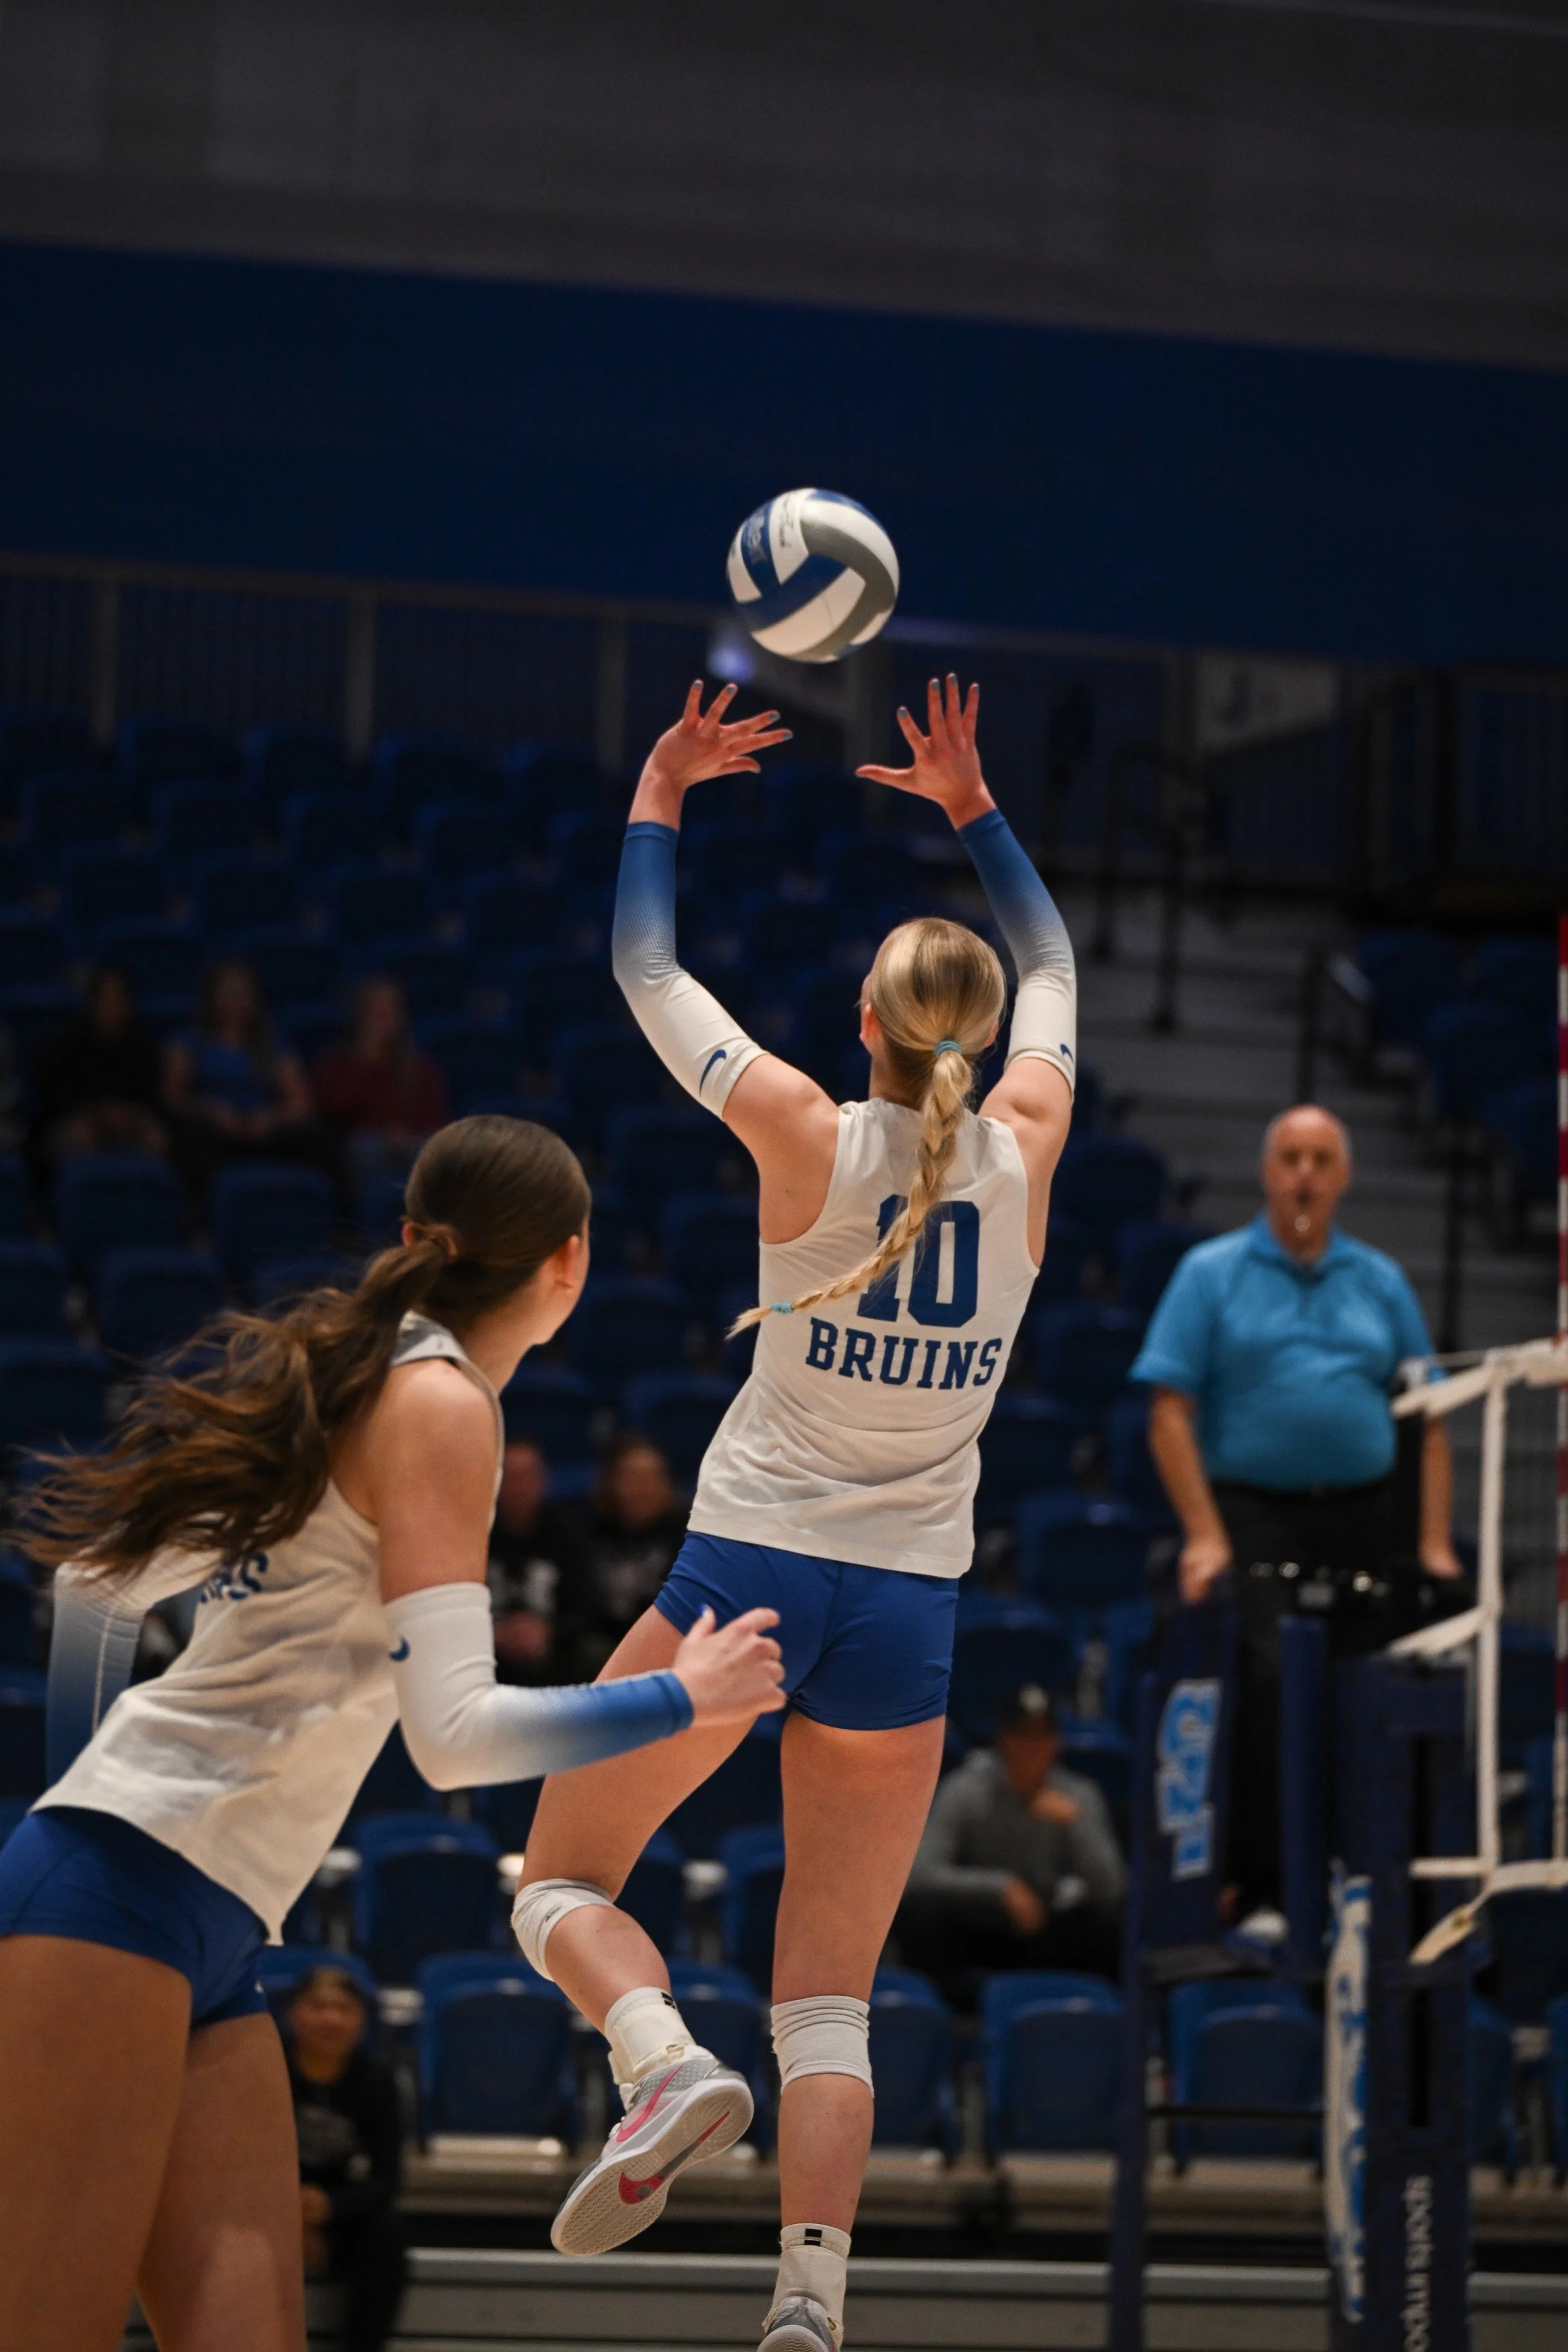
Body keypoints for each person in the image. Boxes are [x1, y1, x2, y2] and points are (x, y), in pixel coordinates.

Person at [0, 1113, 784, 2352]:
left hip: (188, 1923)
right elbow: (455, 1742)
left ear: (419, 1237)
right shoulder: (440, 1401)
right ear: (567, 1265)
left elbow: (92, 1593)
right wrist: (683, 1698)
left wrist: (73, 1815)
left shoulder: (354, 1376)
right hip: (122, 1898)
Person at [512, 676, 1077, 2352]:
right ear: (970, 1040)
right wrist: (974, 806)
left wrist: (660, 783)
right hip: (904, 1611)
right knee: (828, 1990)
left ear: (865, 1023)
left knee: (556, 1881)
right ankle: (807, 2304)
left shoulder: (799, 1135)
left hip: (743, 1575)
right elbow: (1050, 967)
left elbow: (643, 971)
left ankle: (658, 2059)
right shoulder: (1029, 1144)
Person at [1131, 1102, 1463, 1931]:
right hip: (1255, 1514)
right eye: (1290, 1157)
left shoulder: (1379, 1279)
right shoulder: (1212, 1272)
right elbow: (1170, 1408)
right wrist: (1205, 1532)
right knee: (1274, 1677)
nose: (1306, 1173)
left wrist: (1430, 1543)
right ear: (1267, 1172)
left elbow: (1425, 1415)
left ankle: (1384, 1883)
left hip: (1367, 1515)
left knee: (1382, 1684)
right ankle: (1269, 1885)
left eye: (1321, 1157)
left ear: (1344, 1175)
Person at [897, 1685, 1125, 2001]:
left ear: (1056, 1744)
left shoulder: (1078, 1796)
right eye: (1022, 1737)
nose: (1032, 1748)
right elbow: (919, 1873)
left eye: (1041, 1737)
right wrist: (1000, 1887)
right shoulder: (966, 1790)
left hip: (1045, 1927)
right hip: (979, 1925)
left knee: (1110, 1925)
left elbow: (1112, 1890)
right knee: (919, 1914)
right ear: (1003, 1741)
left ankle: (1087, 2012)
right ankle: (939, 2014)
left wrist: (1076, 1826)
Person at [285, 1967, 406, 2352]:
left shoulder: (377, 2082)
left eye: (343, 2008)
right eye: (318, 2006)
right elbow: (231, 2165)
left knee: (386, 2237)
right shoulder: (267, 2070)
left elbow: (387, 2181)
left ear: (361, 2021)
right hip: (266, 2208)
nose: (330, 2019)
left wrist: (329, 2209)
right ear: (293, 2014)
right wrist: (292, 2220)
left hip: (338, 2209)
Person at [163, 956, 340, 1199]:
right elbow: (173, 1097)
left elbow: (301, 1102)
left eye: (243, 993)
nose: (236, 1001)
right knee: (190, 1140)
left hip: (262, 1127)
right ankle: (200, 1226)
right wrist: (213, 1112)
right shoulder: (190, 1042)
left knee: (319, 1140)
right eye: (228, 993)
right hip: (213, 1128)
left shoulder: (271, 1044)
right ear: (212, 996)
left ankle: (331, 1224)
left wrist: (270, 1119)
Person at [26, 965, 168, 1185]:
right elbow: (54, 1100)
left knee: (155, 1136)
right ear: (91, 1003)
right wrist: (96, 1114)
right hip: (74, 1122)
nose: (111, 1007)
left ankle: (141, 1207)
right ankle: (74, 1210)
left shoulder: (142, 1047)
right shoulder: (64, 1046)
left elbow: (152, 1100)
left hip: (130, 1124)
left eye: (117, 1000)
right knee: (79, 1135)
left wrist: (132, 1116)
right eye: (104, 999)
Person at [314, 978, 450, 1180]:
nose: (384, 1020)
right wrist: (368, 1059)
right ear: (361, 1016)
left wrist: (405, 1138)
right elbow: (336, 1111)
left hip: (410, 1145)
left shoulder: (420, 1068)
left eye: (391, 1013)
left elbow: (436, 1122)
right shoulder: (338, 1064)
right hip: (361, 1147)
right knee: (365, 1150)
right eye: (377, 1012)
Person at [576, 1436, 690, 1676]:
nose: (643, 1489)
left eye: (651, 1478)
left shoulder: (687, 1536)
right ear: (613, 1483)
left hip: (666, 1642)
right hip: (604, 1642)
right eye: (633, 1479)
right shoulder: (589, 1531)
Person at [488, 1436, 593, 1684]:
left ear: (543, 1480)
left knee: (593, 1652)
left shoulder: (568, 1534)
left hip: (554, 1648)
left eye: (527, 1476)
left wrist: (550, 1632)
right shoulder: (473, 1536)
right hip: (485, 1647)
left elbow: (587, 1606)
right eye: (510, 1477)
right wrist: (494, 1634)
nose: (519, 1487)